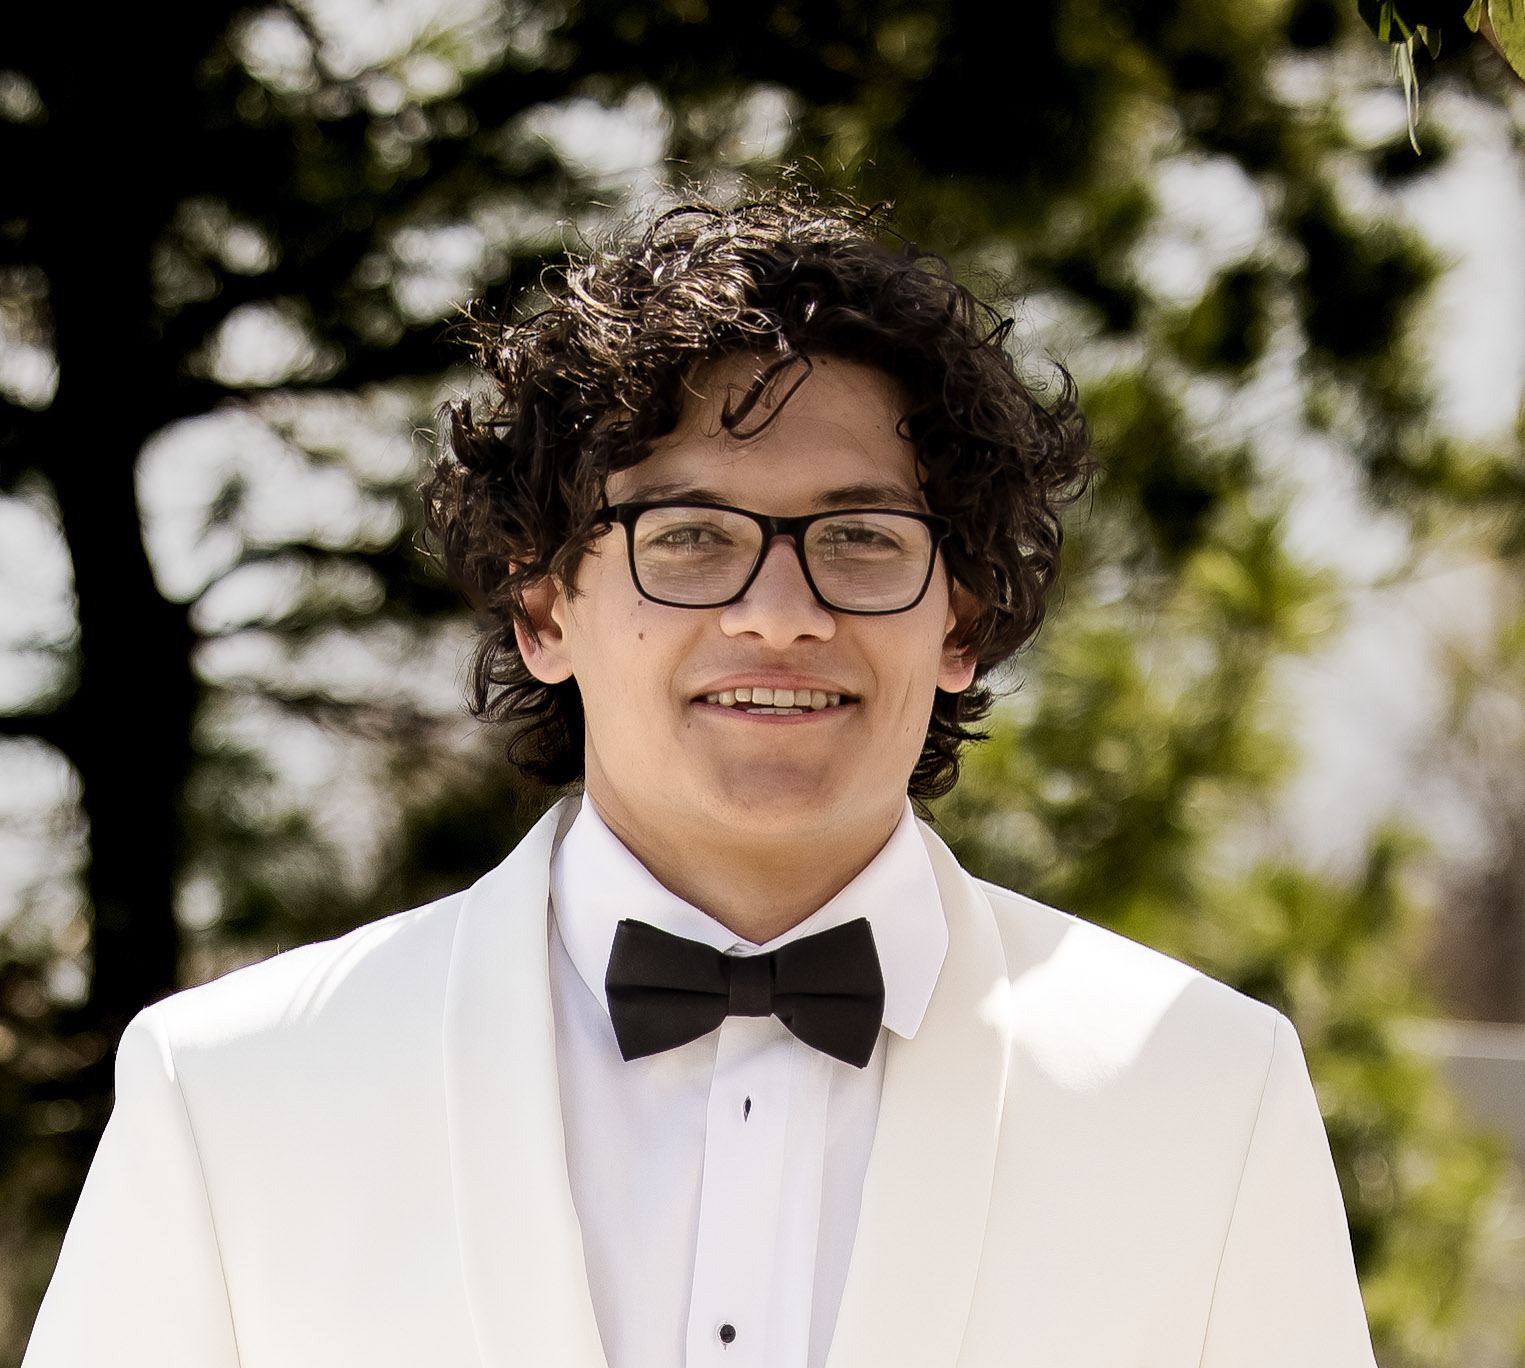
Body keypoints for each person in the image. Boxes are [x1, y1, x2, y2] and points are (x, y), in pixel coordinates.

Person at [23, 193, 1377, 1368]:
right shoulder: (237, 1094)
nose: (778, 613)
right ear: (540, 606)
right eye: (686, 538)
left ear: (959, 619)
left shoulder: (1204, 1091)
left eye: (859, 537)